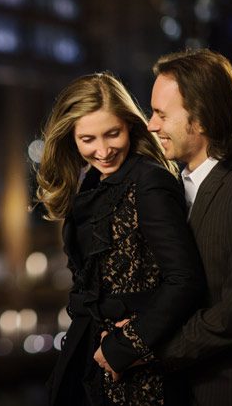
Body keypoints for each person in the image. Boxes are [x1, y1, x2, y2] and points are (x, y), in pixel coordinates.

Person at [36, 72, 205, 405]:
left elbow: (186, 280)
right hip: (93, 354)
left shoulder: (149, 181)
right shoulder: (91, 184)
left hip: (137, 370)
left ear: (130, 125)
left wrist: (125, 345)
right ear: (70, 137)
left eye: (112, 133)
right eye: (88, 139)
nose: (103, 150)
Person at [141, 48, 232, 405]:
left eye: (161, 114)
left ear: (202, 119)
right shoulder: (181, 184)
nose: (151, 124)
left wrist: (151, 352)